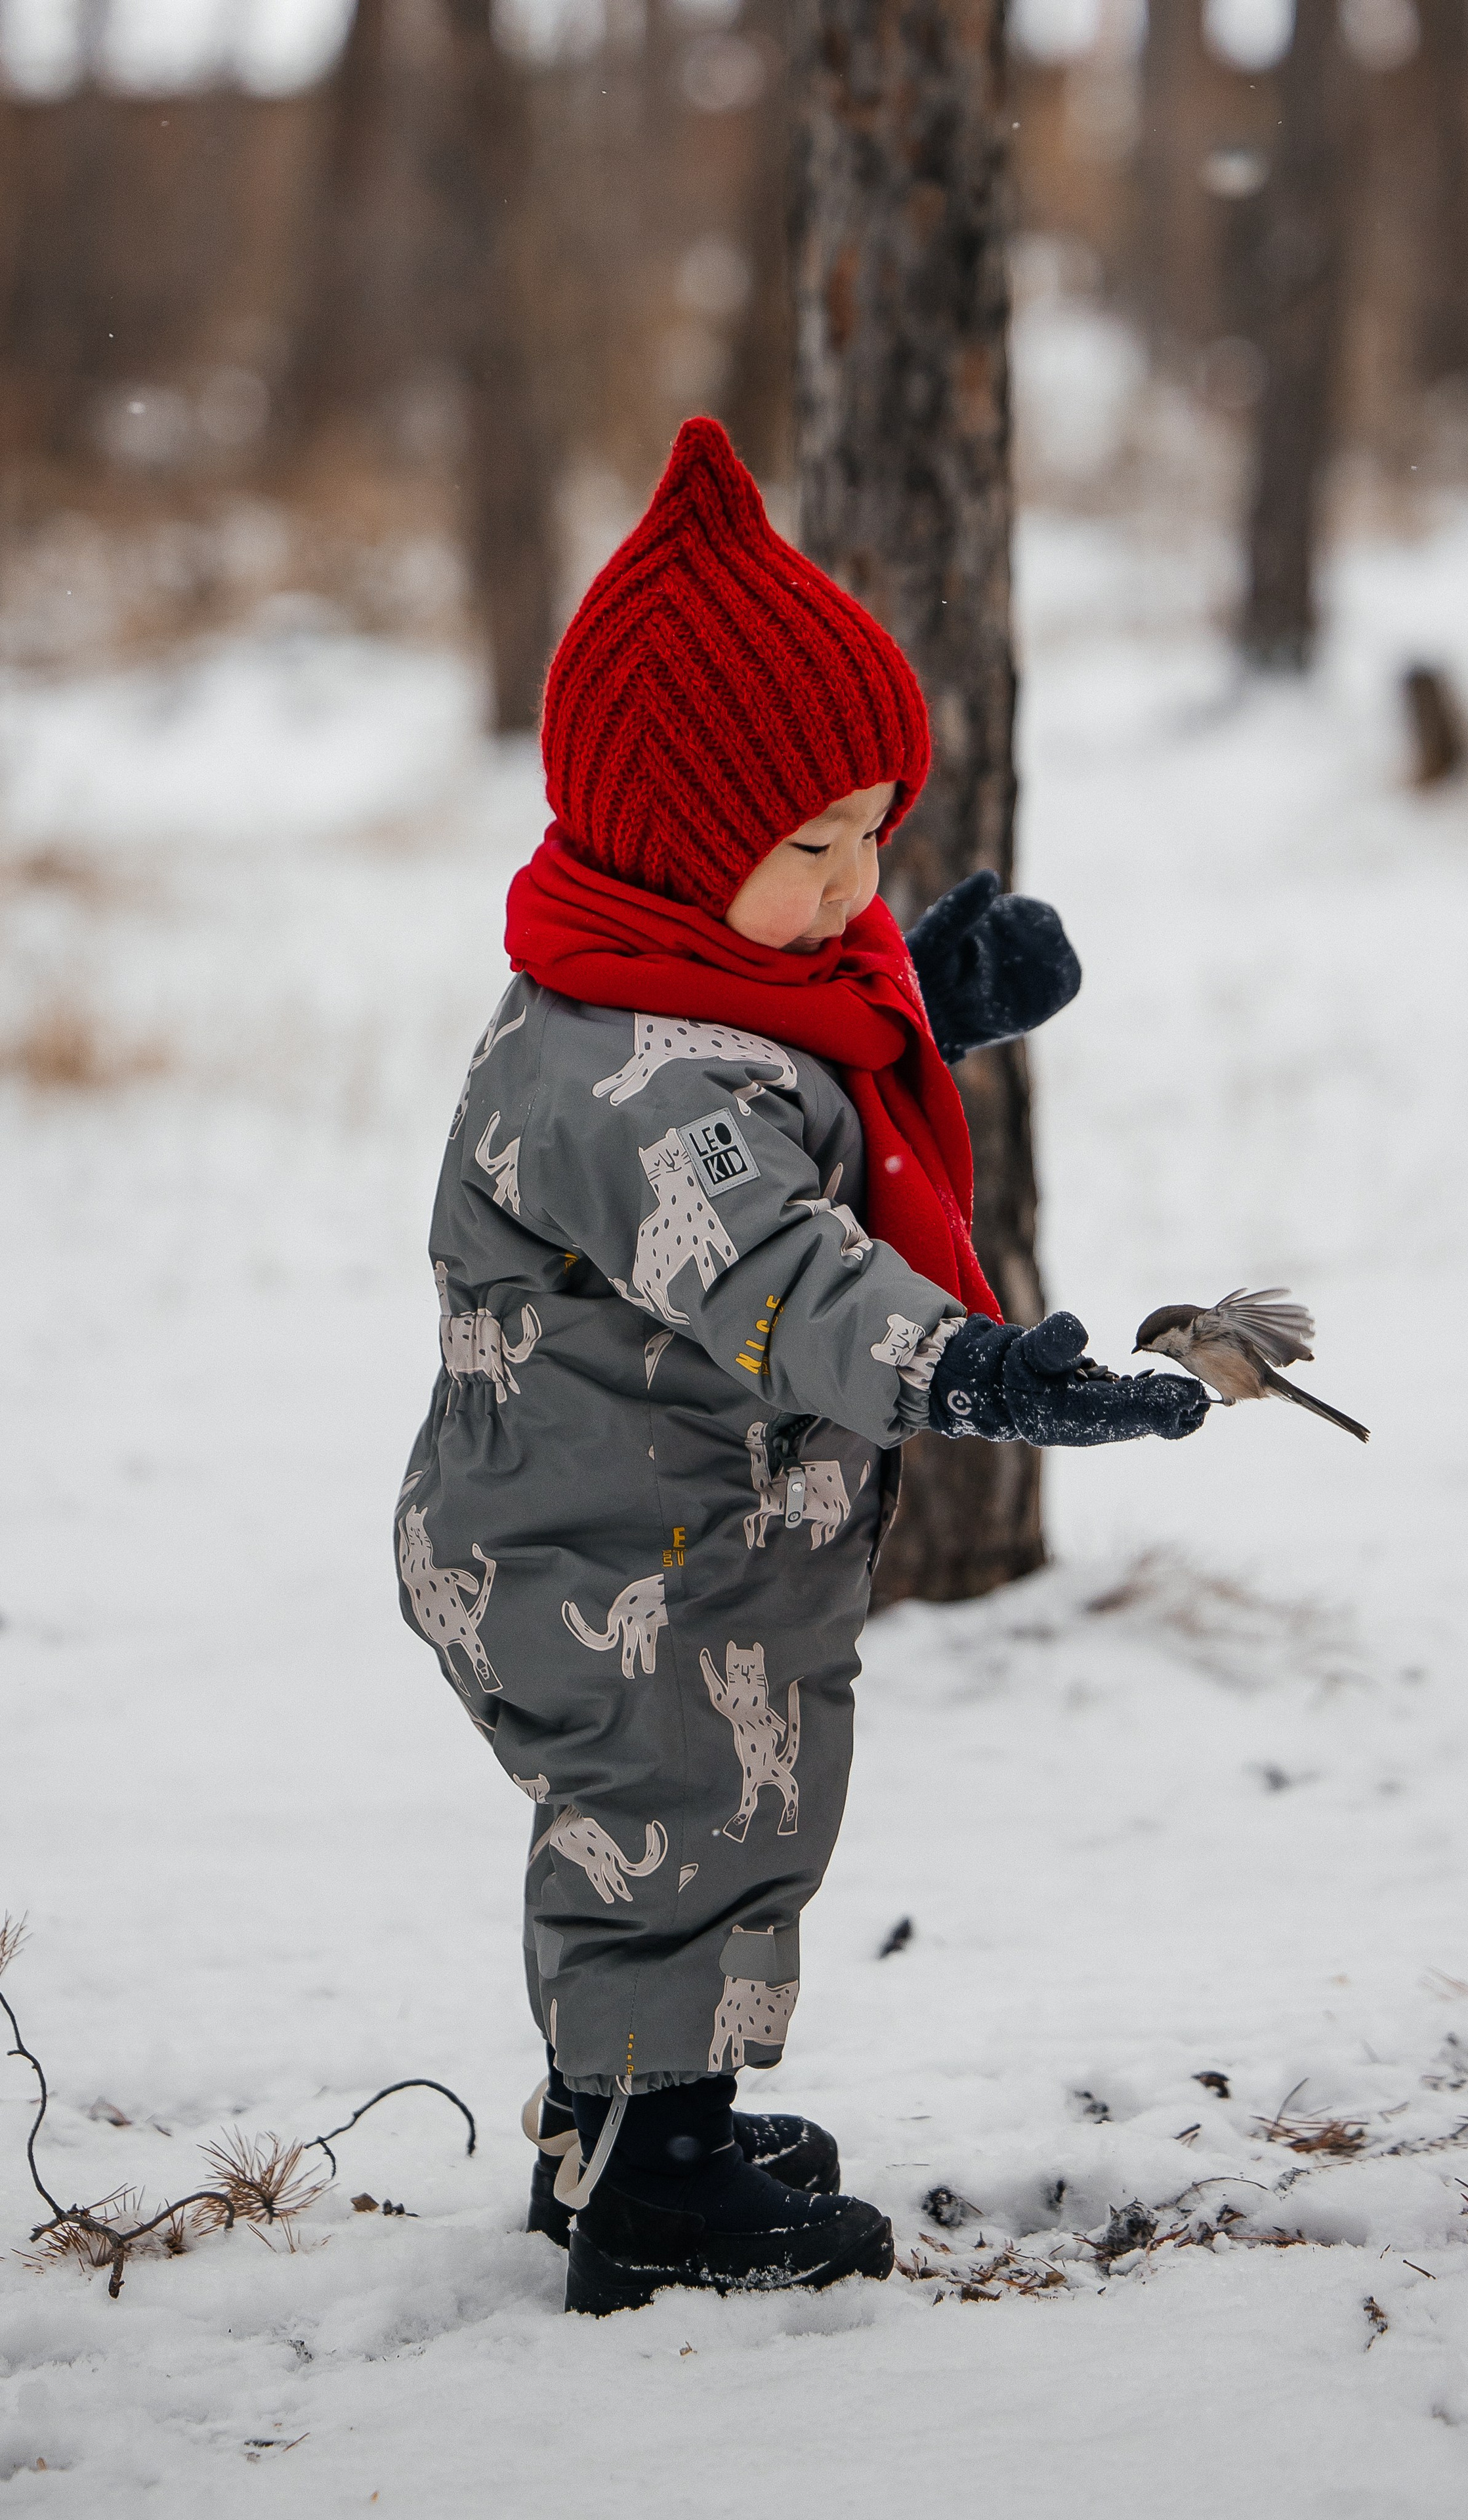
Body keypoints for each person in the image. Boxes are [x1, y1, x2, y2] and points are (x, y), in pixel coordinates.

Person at [396, 417, 1210, 2317]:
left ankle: (626, 2127)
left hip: (682, 1533)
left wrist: (935, 980)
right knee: (679, 1831)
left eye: (876, 842)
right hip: (615, 1564)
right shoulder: (617, 1077)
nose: (854, 888)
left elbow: (796, 1080)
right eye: (817, 848)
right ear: (682, 852)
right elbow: (787, 1270)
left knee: (724, 1824)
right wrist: (988, 1374)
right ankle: (651, 2190)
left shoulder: (695, 994)